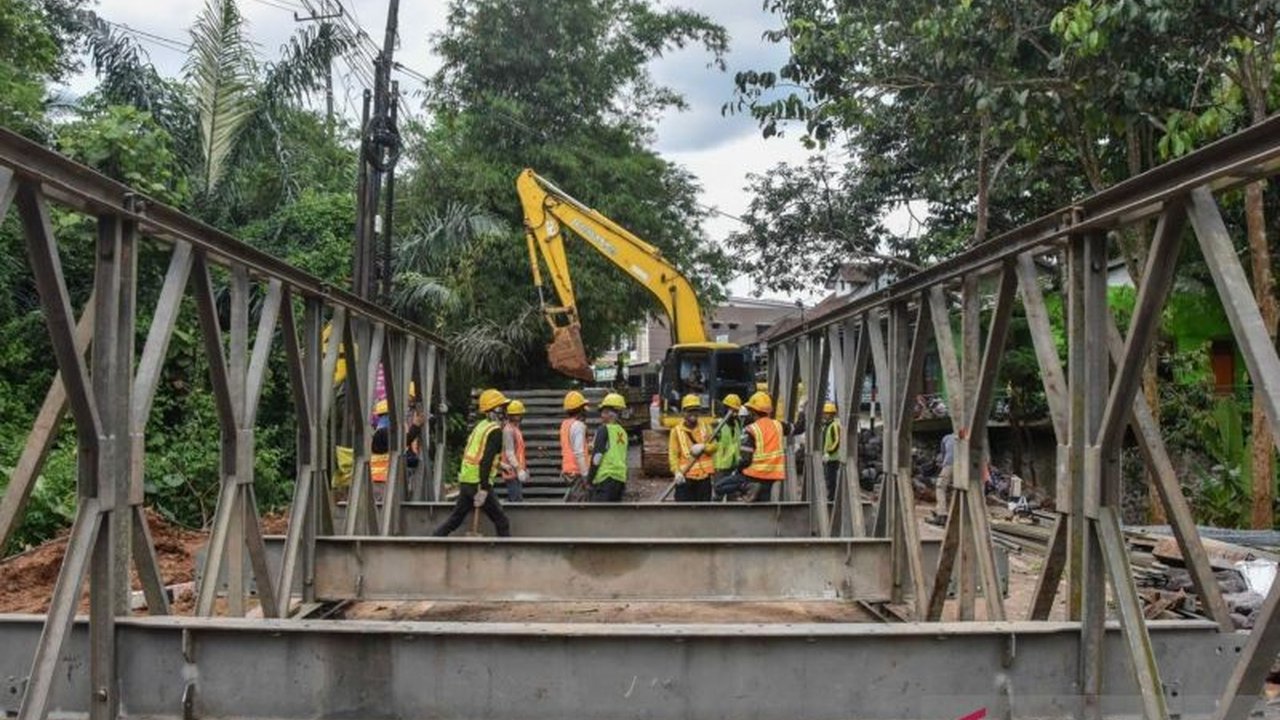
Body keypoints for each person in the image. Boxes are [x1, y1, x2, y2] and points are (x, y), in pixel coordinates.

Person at [432, 388, 512, 537]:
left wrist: (501, 466)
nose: (505, 412)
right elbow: (485, 461)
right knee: (502, 521)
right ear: (493, 411)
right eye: (502, 408)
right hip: (478, 482)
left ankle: (433, 540)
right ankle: (506, 551)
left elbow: (478, 455)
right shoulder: (494, 431)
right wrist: (484, 488)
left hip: (467, 480)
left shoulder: (481, 426)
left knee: (455, 519)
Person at [737, 391, 805, 502]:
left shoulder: (751, 429)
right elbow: (799, 428)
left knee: (722, 486)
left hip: (754, 474)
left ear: (752, 411)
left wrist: (738, 470)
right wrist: (802, 411)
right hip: (772, 474)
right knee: (764, 502)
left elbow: (745, 459)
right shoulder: (778, 425)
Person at [669, 394, 716, 502]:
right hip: (685, 477)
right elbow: (673, 454)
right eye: (690, 410)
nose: (693, 413)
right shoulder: (676, 431)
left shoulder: (706, 427)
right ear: (683, 412)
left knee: (703, 510)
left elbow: (715, 446)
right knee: (684, 510)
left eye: (695, 410)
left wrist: (704, 447)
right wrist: (676, 472)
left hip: (704, 478)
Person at [586, 392, 629, 501]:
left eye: (604, 412)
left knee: (600, 511)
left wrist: (589, 479)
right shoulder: (623, 433)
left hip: (605, 479)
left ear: (611, 414)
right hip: (620, 479)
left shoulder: (604, 430)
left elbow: (597, 457)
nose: (601, 415)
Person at [560, 390, 591, 501]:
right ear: (580, 409)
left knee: (573, 501)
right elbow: (579, 453)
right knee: (579, 504)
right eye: (584, 409)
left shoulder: (565, 425)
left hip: (568, 471)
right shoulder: (578, 426)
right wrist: (585, 475)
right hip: (577, 472)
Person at [501, 399, 529, 502]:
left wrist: (523, 469)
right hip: (511, 471)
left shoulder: (516, 429)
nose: (521, 416)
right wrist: (518, 469)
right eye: (519, 414)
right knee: (515, 501)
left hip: (516, 472)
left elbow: (519, 452)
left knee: (517, 500)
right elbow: (509, 453)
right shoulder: (508, 430)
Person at [712, 394, 743, 482]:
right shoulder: (718, 425)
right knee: (719, 489)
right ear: (725, 409)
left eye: (736, 411)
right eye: (732, 410)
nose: (734, 414)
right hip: (721, 467)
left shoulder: (737, 423)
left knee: (733, 490)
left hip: (734, 465)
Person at [932, 431, 958, 522]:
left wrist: (943, 464)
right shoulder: (968, 437)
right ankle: (941, 510)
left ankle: (941, 514)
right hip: (965, 465)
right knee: (957, 489)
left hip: (949, 464)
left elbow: (944, 454)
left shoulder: (947, 438)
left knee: (940, 487)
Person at [822, 401, 843, 501]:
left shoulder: (834, 426)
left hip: (833, 458)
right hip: (828, 458)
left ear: (831, 414)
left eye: (827, 413)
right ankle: (830, 496)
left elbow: (837, 441)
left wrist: (829, 452)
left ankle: (832, 498)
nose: (825, 415)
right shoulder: (826, 426)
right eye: (825, 413)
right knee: (828, 478)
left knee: (831, 479)